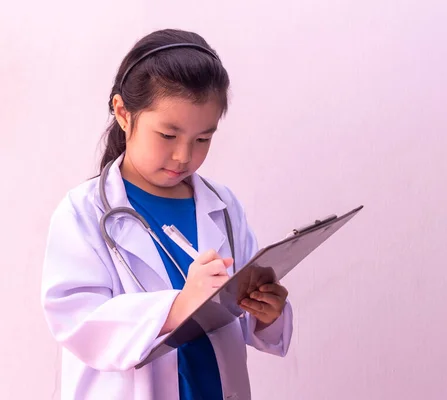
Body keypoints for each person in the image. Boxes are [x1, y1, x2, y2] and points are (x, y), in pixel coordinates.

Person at [40, 28, 293, 400]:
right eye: (168, 135)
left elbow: (243, 320)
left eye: (202, 139)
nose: (184, 156)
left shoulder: (222, 206)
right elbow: (77, 322)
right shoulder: (82, 212)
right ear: (124, 113)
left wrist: (266, 313)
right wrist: (177, 306)